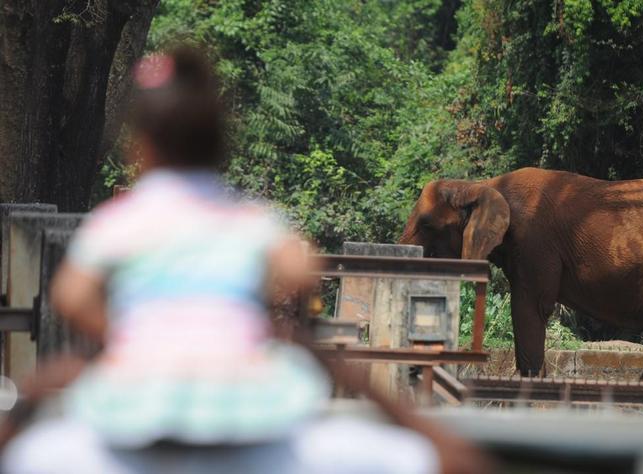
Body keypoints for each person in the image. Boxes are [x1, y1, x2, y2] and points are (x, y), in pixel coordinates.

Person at [1, 45, 489, 474]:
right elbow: (300, 272)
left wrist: (129, 333)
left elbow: (70, 296)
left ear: (140, 146)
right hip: (249, 411)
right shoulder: (248, 220)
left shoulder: (119, 222)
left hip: (138, 408)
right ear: (218, 145)